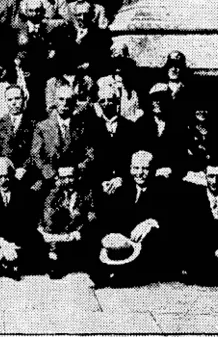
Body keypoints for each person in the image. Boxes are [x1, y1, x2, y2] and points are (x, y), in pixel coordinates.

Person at [94, 150, 173, 287]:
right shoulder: (123, 190)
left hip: (146, 247)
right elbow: (111, 218)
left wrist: (152, 222)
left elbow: (171, 219)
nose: (140, 173)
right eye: (136, 168)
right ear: (130, 169)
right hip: (122, 244)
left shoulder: (163, 190)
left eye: (145, 168)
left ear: (153, 170)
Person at [30, 85, 95, 194]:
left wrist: (75, 172)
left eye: (69, 100)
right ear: (55, 101)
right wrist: (53, 176)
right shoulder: (42, 126)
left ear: (74, 103)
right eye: (61, 99)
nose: (65, 103)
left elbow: (90, 154)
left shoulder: (82, 127)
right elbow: (36, 155)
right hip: (50, 180)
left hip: (76, 179)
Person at [38, 166, 96, 278]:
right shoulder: (53, 195)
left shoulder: (86, 193)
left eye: (70, 177)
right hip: (57, 239)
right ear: (58, 179)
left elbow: (92, 217)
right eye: (63, 178)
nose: (67, 181)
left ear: (77, 177)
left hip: (77, 239)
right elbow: (46, 220)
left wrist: (79, 232)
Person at [90, 84, 139, 194]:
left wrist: (121, 179)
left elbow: (135, 158)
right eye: (102, 101)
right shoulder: (91, 129)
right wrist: (101, 182)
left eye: (110, 100)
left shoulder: (131, 128)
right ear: (98, 104)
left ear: (117, 101)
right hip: (100, 188)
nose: (106, 104)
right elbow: (90, 161)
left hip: (126, 186)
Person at [0, 85, 36, 187]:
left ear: (24, 99)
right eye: (9, 99)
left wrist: (24, 168)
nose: (13, 103)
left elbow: (35, 151)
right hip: (1, 172)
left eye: (17, 98)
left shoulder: (34, 124)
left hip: (25, 172)